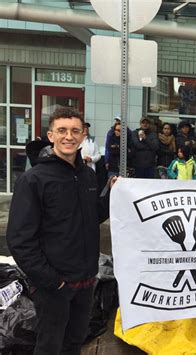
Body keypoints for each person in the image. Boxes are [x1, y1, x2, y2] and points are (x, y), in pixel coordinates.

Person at [6, 106, 115, 355]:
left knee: (74, 343)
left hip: (86, 281)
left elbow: (92, 217)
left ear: (83, 135)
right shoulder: (34, 179)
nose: (69, 136)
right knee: (49, 346)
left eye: (75, 131)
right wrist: (53, 283)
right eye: (62, 130)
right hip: (54, 285)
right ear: (51, 135)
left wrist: (113, 194)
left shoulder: (87, 175)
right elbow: (20, 240)